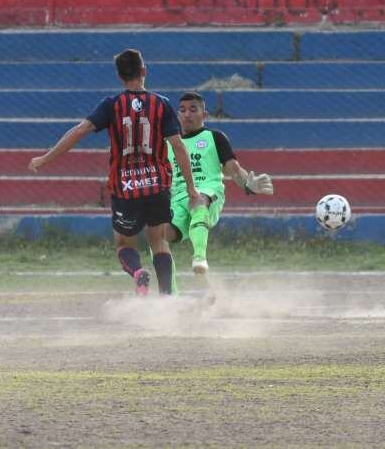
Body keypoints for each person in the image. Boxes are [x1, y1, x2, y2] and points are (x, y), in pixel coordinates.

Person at [28, 49, 202, 296]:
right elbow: (178, 146)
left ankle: (138, 273)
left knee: (123, 242)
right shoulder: (161, 104)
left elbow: (78, 131)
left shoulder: (111, 105)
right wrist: (191, 188)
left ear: (120, 77)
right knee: (159, 240)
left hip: (126, 187)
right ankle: (166, 301)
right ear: (144, 71)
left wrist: (46, 158)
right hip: (157, 184)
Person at [165, 91, 274, 276]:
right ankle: (168, 294)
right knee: (158, 235)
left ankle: (199, 257)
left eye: (193, 109)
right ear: (177, 115)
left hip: (208, 192)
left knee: (197, 200)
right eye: (182, 110)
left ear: (204, 115)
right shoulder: (169, 144)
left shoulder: (214, 138)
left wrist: (248, 183)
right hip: (178, 198)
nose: (187, 114)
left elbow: (233, 168)